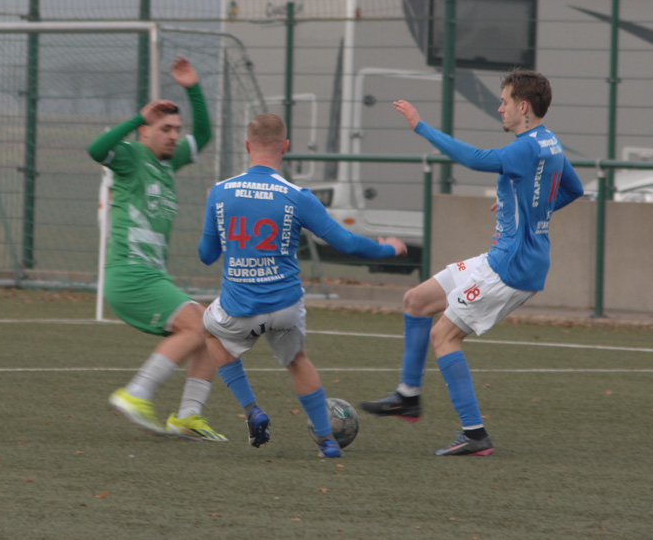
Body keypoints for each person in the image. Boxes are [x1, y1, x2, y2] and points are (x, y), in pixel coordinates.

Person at [360, 69, 583, 456]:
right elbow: (573, 189)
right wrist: (528, 207)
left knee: (444, 336)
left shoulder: (525, 147)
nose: (500, 108)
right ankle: (408, 396)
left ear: (523, 107)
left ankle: (475, 434)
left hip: (510, 268)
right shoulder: (550, 142)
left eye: (505, 101)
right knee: (416, 300)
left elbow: (475, 159)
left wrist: (420, 127)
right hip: (499, 258)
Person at [199, 113, 407, 458]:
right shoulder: (297, 196)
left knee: (209, 332)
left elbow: (206, 255)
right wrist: (388, 249)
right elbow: (346, 243)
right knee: (297, 360)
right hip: (285, 306)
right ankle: (327, 442)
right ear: (285, 147)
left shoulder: (220, 192)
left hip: (238, 308)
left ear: (247, 146)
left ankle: (252, 410)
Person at [89, 55, 227, 441]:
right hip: (129, 274)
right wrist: (138, 117)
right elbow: (96, 150)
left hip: (151, 275)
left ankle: (188, 416)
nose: (172, 135)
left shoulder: (168, 163)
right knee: (196, 325)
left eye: (176, 129)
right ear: (145, 133)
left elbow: (204, 135)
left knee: (211, 328)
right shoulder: (131, 157)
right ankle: (136, 392)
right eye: (164, 128)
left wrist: (193, 88)